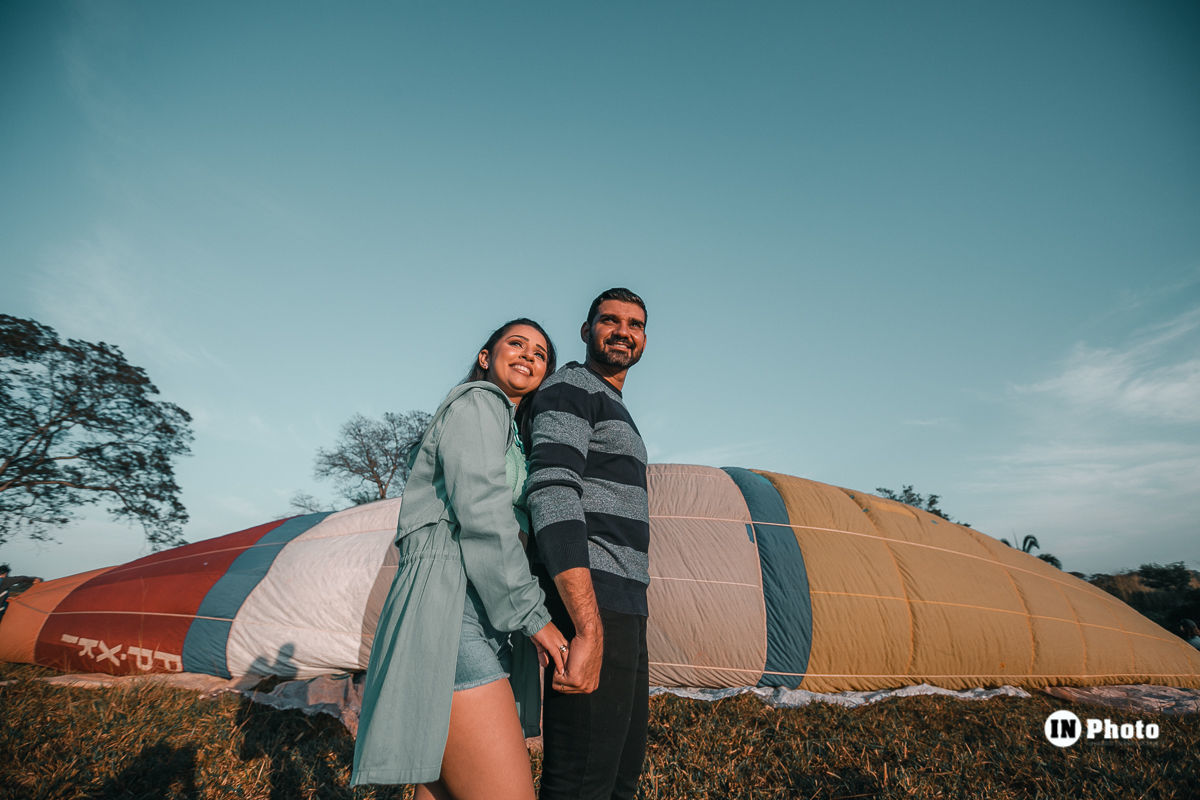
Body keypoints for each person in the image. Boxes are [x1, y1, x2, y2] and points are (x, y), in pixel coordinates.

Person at [352, 319, 570, 800]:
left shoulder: (510, 430)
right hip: (451, 610)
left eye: (540, 353)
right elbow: (485, 516)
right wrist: (537, 618)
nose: (529, 355)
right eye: (516, 343)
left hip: (473, 610)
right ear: (485, 357)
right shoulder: (478, 403)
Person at [527, 288, 650, 800]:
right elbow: (553, 493)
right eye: (610, 320)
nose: (623, 331)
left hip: (625, 603)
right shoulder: (571, 387)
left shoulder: (613, 404)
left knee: (619, 774)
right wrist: (587, 624)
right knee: (582, 781)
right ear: (586, 331)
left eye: (635, 324)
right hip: (593, 597)